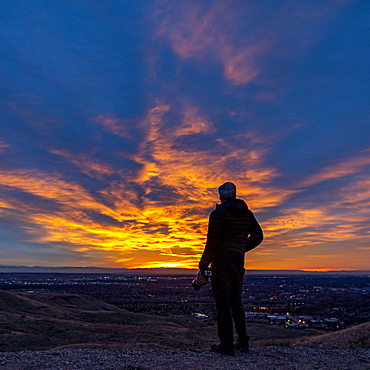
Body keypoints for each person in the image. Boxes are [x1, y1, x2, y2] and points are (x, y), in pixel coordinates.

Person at [198, 182, 263, 356]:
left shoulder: (219, 214)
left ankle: (226, 346)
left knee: (223, 305)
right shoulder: (247, 214)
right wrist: (240, 248)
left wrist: (203, 265)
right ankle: (243, 344)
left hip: (222, 264)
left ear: (221, 196)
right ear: (234, 194)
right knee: (236, 302)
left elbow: (212, 243)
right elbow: (258, 236)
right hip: (237, 262)